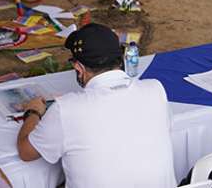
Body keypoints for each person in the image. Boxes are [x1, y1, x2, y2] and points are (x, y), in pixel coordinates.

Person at [16, 23, 176, 188]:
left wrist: (33, 112)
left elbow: (26, 152)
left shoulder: (66, 109)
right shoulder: (155, 89)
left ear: (79, 68)